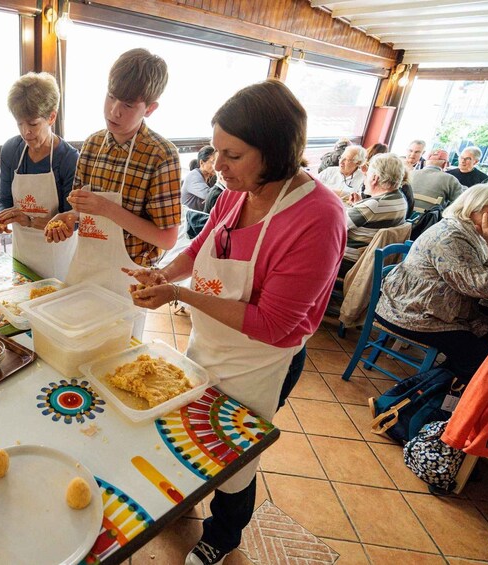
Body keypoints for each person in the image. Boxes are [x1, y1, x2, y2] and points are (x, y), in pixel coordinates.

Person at [124, 79, 346, 565]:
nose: (216, 165)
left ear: (275, 152)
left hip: (262, 360)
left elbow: (272, 323)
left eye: (233, 154)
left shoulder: (319, 218)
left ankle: (223, 535)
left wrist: (179, 295)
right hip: (212, 344)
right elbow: (205, 248)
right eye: (215, 150)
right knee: (191, 428)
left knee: (234, 455)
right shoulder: (235, 190)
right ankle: (187, 499)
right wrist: (163, 272)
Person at [45, 48, 182, 337]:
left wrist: (107, 209)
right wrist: (69, 219)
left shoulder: (161, 155)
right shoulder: (93, 144)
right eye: (110, 97)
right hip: (85, 269)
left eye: (128, 105)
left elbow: (167, 238)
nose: (113, 111)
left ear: (151, 108)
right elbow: (80, 210)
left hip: (128, 281)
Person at [376, 184, 488, 380]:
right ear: (473, 208)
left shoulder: (472, 232)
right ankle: (433, 397)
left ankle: (447, 382)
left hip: (437, 307)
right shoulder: (453, 237)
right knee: (481, 362)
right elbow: (487, 287)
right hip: (412, 313)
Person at [0, 72, 79, 280]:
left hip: (57, 258)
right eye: (19, 123)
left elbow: (71, 221)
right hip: (22, 254)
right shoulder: (11, 150)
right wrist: (0, 218)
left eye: (33, 124)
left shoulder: (68, 159)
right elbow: (4, 201)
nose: (25, 132)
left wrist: (27, 219)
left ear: (51, 117)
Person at [341, 153, 408, 275]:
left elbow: (335, 225)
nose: (365, 176)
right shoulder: (400, 199)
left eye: (368, 173)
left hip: (350, 262)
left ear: (375, 178)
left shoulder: (373, 206)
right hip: (374, 261)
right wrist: (359, 205)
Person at [182, 146, 217, 211]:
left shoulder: (211, 176)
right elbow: (209, 195)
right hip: (190, 219)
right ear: (201, 163)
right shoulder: (193, 176)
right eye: (213, 162)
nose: (216, 165)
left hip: (200, 217)